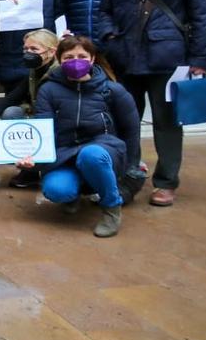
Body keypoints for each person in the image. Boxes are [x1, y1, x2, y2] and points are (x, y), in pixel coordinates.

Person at [98, 0, 206, 207]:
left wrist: (199, 61)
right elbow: (105, 10)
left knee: (167, 123)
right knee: (125, 120)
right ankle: (128, 174)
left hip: (168, 58)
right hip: (126, 57)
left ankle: (166, 181)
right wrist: (109, 38)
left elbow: (200, 13)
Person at [16, 36, 142, 237]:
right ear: (59, 59)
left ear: (92, 59)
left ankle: (111, 208)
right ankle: (73, 193)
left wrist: (131, 166)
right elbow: (43, 130)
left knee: (91, 155)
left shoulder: (113, 90)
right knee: (56, 190)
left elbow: (132, 130)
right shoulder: (48, 90)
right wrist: (33, 159)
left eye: (82, 56)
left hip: (103, 149)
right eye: (68, 57)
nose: (76, 61)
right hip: (64, 153)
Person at [0, 29, 59, 188]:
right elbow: (12, 97)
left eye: (34, 49)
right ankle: (29, 170)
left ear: (52, 51)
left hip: (57, 121)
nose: (28, 53)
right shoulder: (34, 71)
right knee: (12, 112)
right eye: (26, 49)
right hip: (39, 118)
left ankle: (44, 166)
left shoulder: (60, 73)